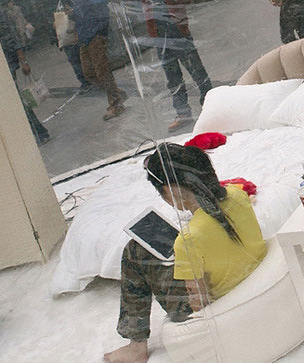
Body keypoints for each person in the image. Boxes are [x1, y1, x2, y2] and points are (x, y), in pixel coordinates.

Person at [104, 143, 267, 363]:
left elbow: (199, 307)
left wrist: (185, 261)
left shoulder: (189, 239)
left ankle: (136, 348)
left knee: (135, 251)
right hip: (245, 269)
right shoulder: (237, 195)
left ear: (171, 190)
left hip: (220, 295)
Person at [134, 0, 212, 133]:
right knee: (172, 76)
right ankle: (183, 113)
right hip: (159, 34)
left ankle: (210, 104)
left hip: (176, 29)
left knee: (196, 69)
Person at [56, 0, 128, 121]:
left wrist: (98, 31)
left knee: (102, 71)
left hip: (94, 35)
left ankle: (116, 104)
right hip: (83, 36)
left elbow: (102, 8)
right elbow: (80, 14)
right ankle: (117, 93)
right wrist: (72, 14)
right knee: (89, 73)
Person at [0, 3, 50, 146]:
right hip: (0, 68)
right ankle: (37, 133)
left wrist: (23, 61)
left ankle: (39, 133)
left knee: (19, 104)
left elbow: (14, 42)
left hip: (5, 67)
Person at [38, 0, 91, 94]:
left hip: (73, 29)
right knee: (73, 59)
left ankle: (91, 78)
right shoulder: (46, 3)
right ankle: (84, 81)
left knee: (83, 55)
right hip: (62, 34)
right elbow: (46, 19)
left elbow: (75, 9)